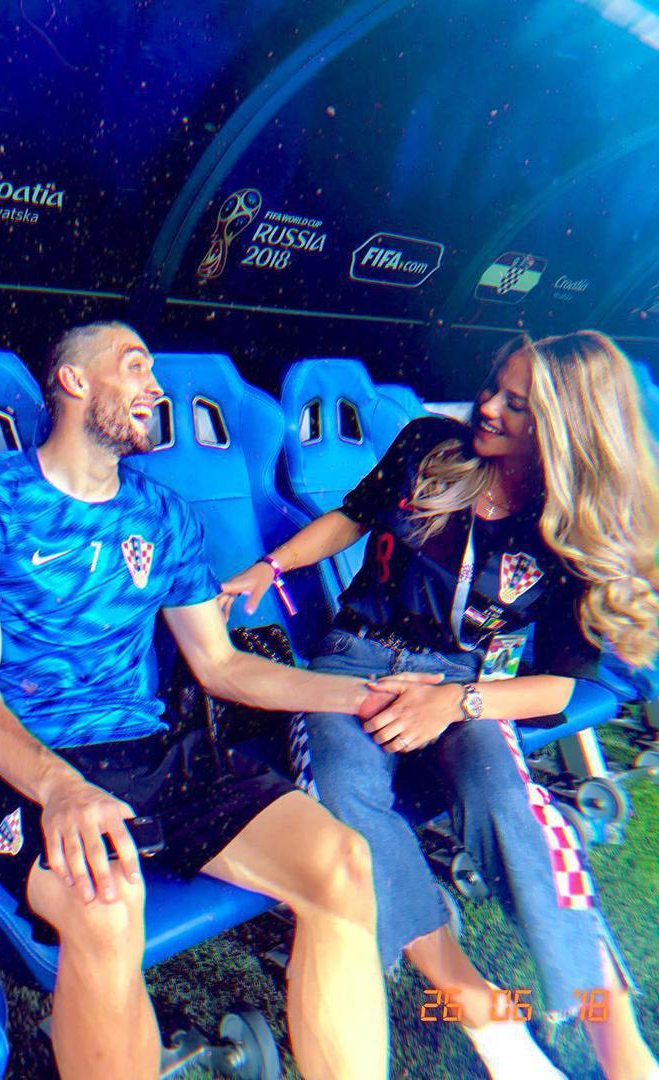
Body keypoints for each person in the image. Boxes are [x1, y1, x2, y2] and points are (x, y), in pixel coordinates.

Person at [0, 320, 393, 1080]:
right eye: (135, 367)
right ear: (74, 381)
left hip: (148, 749)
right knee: (105, 907)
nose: (156, 388)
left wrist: (364, 695)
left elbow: (221, 665)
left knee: (342, 863)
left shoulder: (164, 513)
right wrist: (61, 788)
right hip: (21, 762)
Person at [221, 331, 659, 1080]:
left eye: (517, 404)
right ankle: (483, 1013)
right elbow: (354, 515)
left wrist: (455, 702)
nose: (486, 406)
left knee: (508, 800)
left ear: (564, 427)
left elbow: (573, 685)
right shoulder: (430, 444)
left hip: (464, 680)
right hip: (352, 660)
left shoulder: (566, 526)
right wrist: (273, 564)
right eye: (493, 385)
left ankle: (618, 1045)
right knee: (344, 806)